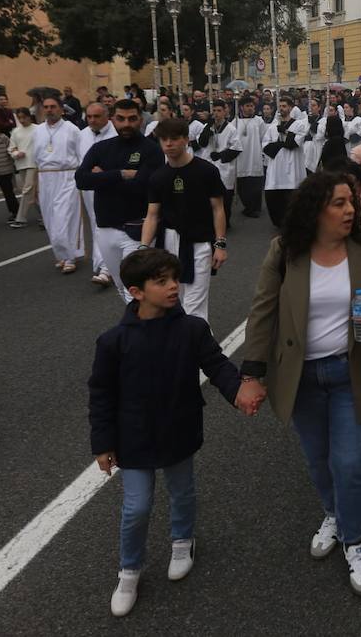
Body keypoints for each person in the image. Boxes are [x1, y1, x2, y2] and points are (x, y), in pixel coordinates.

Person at [238, 169, 361, 597]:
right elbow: (263, 311)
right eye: (340, 203)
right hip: (301, 375)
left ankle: (354, 538)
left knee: (350, 463)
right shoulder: (285, 252)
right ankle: (333, 512)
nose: (351, 210)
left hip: (352, 372)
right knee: (318, 459)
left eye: (352, 202)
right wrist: (252, 374)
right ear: (316, 210)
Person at [88, 248, 257, 617]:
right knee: (136, 507)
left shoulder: (192, 329)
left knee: (182, 490)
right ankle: (129, 570)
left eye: (174, 279)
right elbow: (101, 394)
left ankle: (183, 540)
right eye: (161, 281)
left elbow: (217, 364)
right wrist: (102, 443)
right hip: (132, 436)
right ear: (136, 292)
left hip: (178, 427)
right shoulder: (113, 342)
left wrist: (239, 391)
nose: (172, 287)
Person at [76, 99, 165, 304]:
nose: (126, 124)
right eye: (121, 119)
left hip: (136, 229)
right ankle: (150, 325)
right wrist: (121, 174)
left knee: (134, 290)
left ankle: (145, 332)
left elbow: (143, 186)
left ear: (140, 120)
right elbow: (81, 180)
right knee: (121, 286)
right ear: (112, 119)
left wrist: (101, 178)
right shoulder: (101, 148)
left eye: (132, 119)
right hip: (106, 228)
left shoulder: (151, 150)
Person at [141, 118, 227, 323]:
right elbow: (152, 215)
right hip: (168, 245)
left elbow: (218, 209)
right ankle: (196, 348)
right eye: (164, 140)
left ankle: (197, 352)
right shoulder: (158, 177)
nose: (168, 144)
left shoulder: (207, 171)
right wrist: (143, 248)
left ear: (186, 140)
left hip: (199, 244)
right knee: (174, 302)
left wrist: (220, 244)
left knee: (194, 306)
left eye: (174, 139)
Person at [30, 96, 85, 274]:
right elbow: (36, 160)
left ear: (61, 109)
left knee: (64, 217)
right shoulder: (38, 131)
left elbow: (82, 156)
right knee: (50, 220)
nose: (49, 110)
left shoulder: (72, 129)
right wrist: (35, 185)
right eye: (46, 107)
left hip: (67, 176)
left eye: (53, 106)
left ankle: (70, 256)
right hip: (45, 178)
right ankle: (61, 255)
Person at [78, 103, 117, 286]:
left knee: (107, 223)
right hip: (90, 186)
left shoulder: (116, 134)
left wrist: (106, 171)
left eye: (96, 116)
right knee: (95, 223)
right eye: (89, 117)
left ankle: (107, 268)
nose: (92, 120)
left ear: (107, 116)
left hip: (111, 186)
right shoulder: (83, 134)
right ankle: (102, 263)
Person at [261, 96, 308, 230]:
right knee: (274, 195)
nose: (282, 109)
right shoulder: (273, 127)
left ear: (291, 108)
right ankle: (279, 221)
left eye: (284, 106)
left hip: (292, 165)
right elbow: (265, 144)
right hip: (276, 166)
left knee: (292, 194)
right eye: (280, 106)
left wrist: (286, 133)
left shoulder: (298, 125)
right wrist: (278, 145)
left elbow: (294, 143)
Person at [195, 100, 242, 226]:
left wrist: (221, 155)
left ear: (225, 112)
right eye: (214, 111)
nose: (216, 113)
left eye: (219, 111)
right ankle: (210, 220)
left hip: (224, 166)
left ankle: (225, 221)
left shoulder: (231, 129)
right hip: (209, 164)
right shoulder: (208, 127)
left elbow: (236, 148)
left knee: (225, 196)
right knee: (208, 194)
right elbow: (202, 143)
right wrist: (207, 129)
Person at [234, 97, 268, 219]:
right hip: (241, 157)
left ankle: (255, 208)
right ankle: (248, 206)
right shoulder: (235, 121)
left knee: (256, 184)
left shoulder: (259, 121)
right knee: (242, 184)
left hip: (255, 155)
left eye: (252, 106)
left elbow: (264, 137)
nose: (250, 108)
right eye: (247, 106)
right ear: (241, 107)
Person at [8, 107, 39, 229]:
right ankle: (46, 215)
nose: (22, 120)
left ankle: (20, 218)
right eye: (19, 118)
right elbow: (11, 147)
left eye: (24, 117)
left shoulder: (38, 129)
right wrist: (16, 154)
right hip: (21, 164)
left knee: (27, 190)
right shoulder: (15, 131)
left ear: (29, 116)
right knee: (34, 193)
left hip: (34, 164)